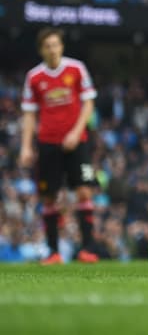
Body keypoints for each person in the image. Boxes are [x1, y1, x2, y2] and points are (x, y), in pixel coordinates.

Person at [19, 27, 100, 264]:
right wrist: (25, 146)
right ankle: (53, 252)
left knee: (84, 190)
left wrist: (76, 132)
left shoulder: (76, 69)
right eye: (48, 46)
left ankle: (88, 249)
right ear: (41, 50)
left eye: (56, 45)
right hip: (47, 143)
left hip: (77, 142)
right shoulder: (34, 77)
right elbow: (29, 115)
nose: (53, 49)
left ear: (61, 47)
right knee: (48, 197)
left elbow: (88, 104)